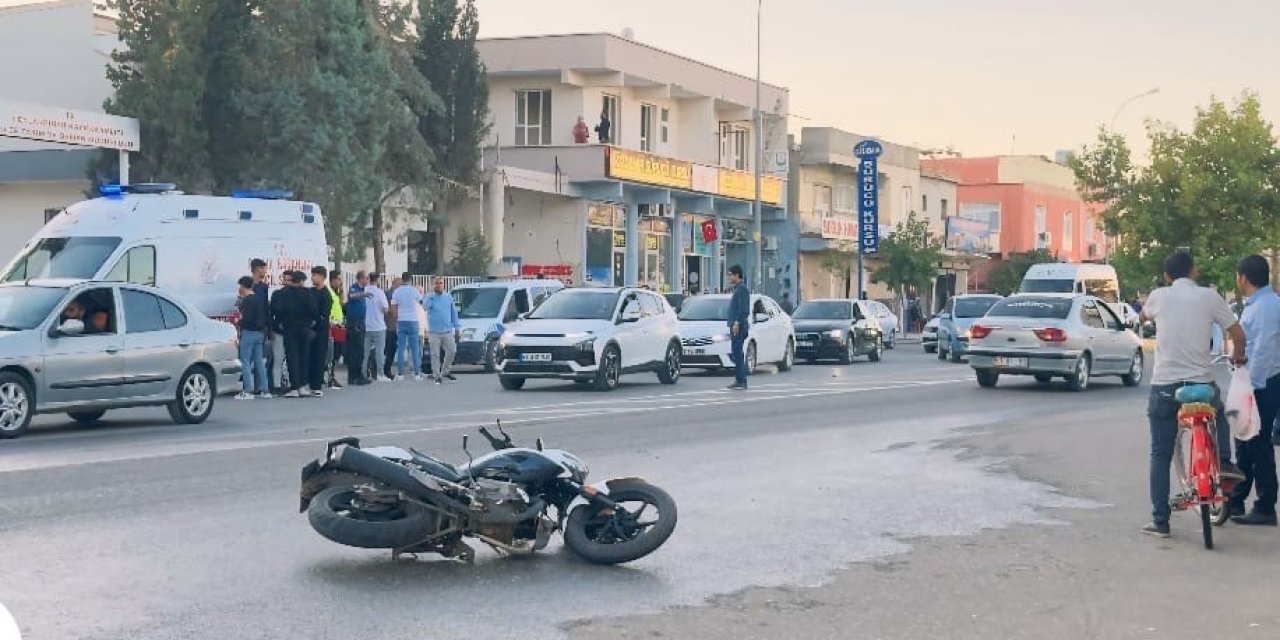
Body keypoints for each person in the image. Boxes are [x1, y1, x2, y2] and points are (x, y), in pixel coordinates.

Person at [1140, 251, 1247, 538]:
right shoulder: (1209, 297)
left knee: (1159, 454)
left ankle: (1160, 521)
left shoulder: (1158, 296)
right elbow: (1238, 333)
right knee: (1219, 411)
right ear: (1194, 271)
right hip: (1201, 384)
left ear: (1167, 276)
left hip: (1165, 388)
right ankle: (1223, 461)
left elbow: (1143, 315)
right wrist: (1240, 356)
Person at [1228, 255, 1280, 526]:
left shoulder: (1264, 307)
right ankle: (1236, 501)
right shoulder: (1262, 304)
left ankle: (1265, 505)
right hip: (1259, 382)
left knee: (1257, 446)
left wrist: (1251, 386)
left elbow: (1263, 351)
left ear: (1244, 277)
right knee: (1246, 444)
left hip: (1262, 383)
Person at [271, 270, 318, 398]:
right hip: (304, 329)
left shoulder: (284, 294)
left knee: (292, 358)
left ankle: (294, 387)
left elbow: (278, 310)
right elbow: (314, 310)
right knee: (304, 357)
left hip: (289, 329)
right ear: (302, 281)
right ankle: (303, 386)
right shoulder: (308, 293)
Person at [235, 275, 270, 400]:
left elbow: (247, 319)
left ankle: (247, 390)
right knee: (259, 362)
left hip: (249, 333)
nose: (239, 289)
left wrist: (239, 323)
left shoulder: (247, 301)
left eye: (240, 286)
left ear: (244, 287)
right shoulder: (258, 299)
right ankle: (265, 390)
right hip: (260, 333)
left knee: (245, 362)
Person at [424, 277, 461, 384]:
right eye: (436, 283)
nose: (439, 285)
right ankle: (437, 375)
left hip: (447, 330)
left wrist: (457, 328)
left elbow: (453, 313)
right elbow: (425, 307)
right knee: (435, 354)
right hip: (434, 331)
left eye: (440, 283)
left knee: (452, 351)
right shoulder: (429, 297)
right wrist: (431, 297)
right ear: (433, 285)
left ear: (443, 284)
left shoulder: (448, 297)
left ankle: (445, 370)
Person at [390, 272, 424, 381]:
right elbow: (421, 301)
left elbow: (393, 307)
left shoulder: (397, 291)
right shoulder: (414, 290)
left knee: (400, 348)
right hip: (413, 320)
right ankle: (417, 374)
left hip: (401, 321)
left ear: (402, 279)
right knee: (415, 348)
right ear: (410, 279)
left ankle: (400, 374)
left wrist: (397, 318)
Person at [307, 266, 334, 396]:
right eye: (312, 275)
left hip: (320, 332)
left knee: (318, 358)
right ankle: (308, 383)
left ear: (322, 277)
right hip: (307, 331)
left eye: (315, 275)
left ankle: (316, 386)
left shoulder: (326, 295)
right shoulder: (310, 292)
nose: (312, 278)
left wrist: (315, 323)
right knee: (309, 357)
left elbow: (324, 315)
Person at [726, 265, 750, 391]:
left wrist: (737, 323)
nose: (728, 277)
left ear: (737, 275)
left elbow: (744, 309)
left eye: (730, 274)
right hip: (736, 325)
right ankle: (740, 379)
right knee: (736, 353)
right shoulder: (737, 289)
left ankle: (741, 380)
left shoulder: (742, 289)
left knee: (737, 354)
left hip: (738, 326)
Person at [363, 272, 389, 382]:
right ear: (377, 280)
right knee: (379, 352)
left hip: (366, 326)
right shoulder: (380, 293)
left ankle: (363, 373)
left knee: (365, 352)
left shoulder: (363, 291)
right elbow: (386, 309)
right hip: (378, 326)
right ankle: (380, 374)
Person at [345, 271, 370, 385]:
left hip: (360, 322)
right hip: (355, 323)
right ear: (360, 279)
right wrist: (363, 294)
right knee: (357, 350)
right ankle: (356, 376)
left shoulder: (362, 290)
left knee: (358, 350)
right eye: (366, 278)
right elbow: (351, 296)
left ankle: (354, 376)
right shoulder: (355, 288)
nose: (368, 280)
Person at [326, 272, 346, 389]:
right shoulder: (328, 292)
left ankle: (331, 376)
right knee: (332, 354)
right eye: (338, 279)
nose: (340, 281)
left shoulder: (336, 292)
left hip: (338, 326)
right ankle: (330, 377)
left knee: (337, 352)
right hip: (332, 326)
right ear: (332, 280)